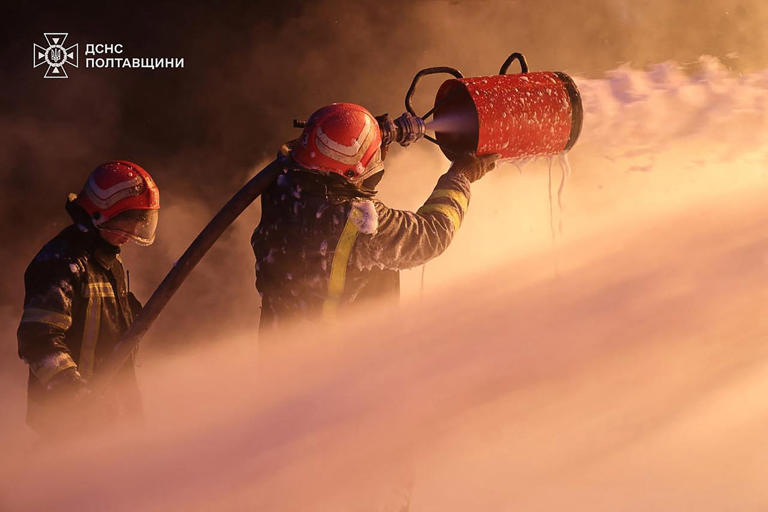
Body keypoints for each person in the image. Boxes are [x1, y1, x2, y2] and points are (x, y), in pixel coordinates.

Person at [251, 103, 498, 331]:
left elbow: (328, 160)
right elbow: (431, 235)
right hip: (335, 358)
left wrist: (369, 141)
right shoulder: (356, 221)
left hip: (278, 345)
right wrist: (460, 177)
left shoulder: (282, 184)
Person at [17, 160, 160, 436]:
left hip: (110, 421)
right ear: (100, 213)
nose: (132, 233)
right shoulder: (60, 262)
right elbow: (38, 340)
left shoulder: (109, 265)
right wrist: (76, 396)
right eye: (125, 222)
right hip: (66, 425)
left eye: (138, 224)